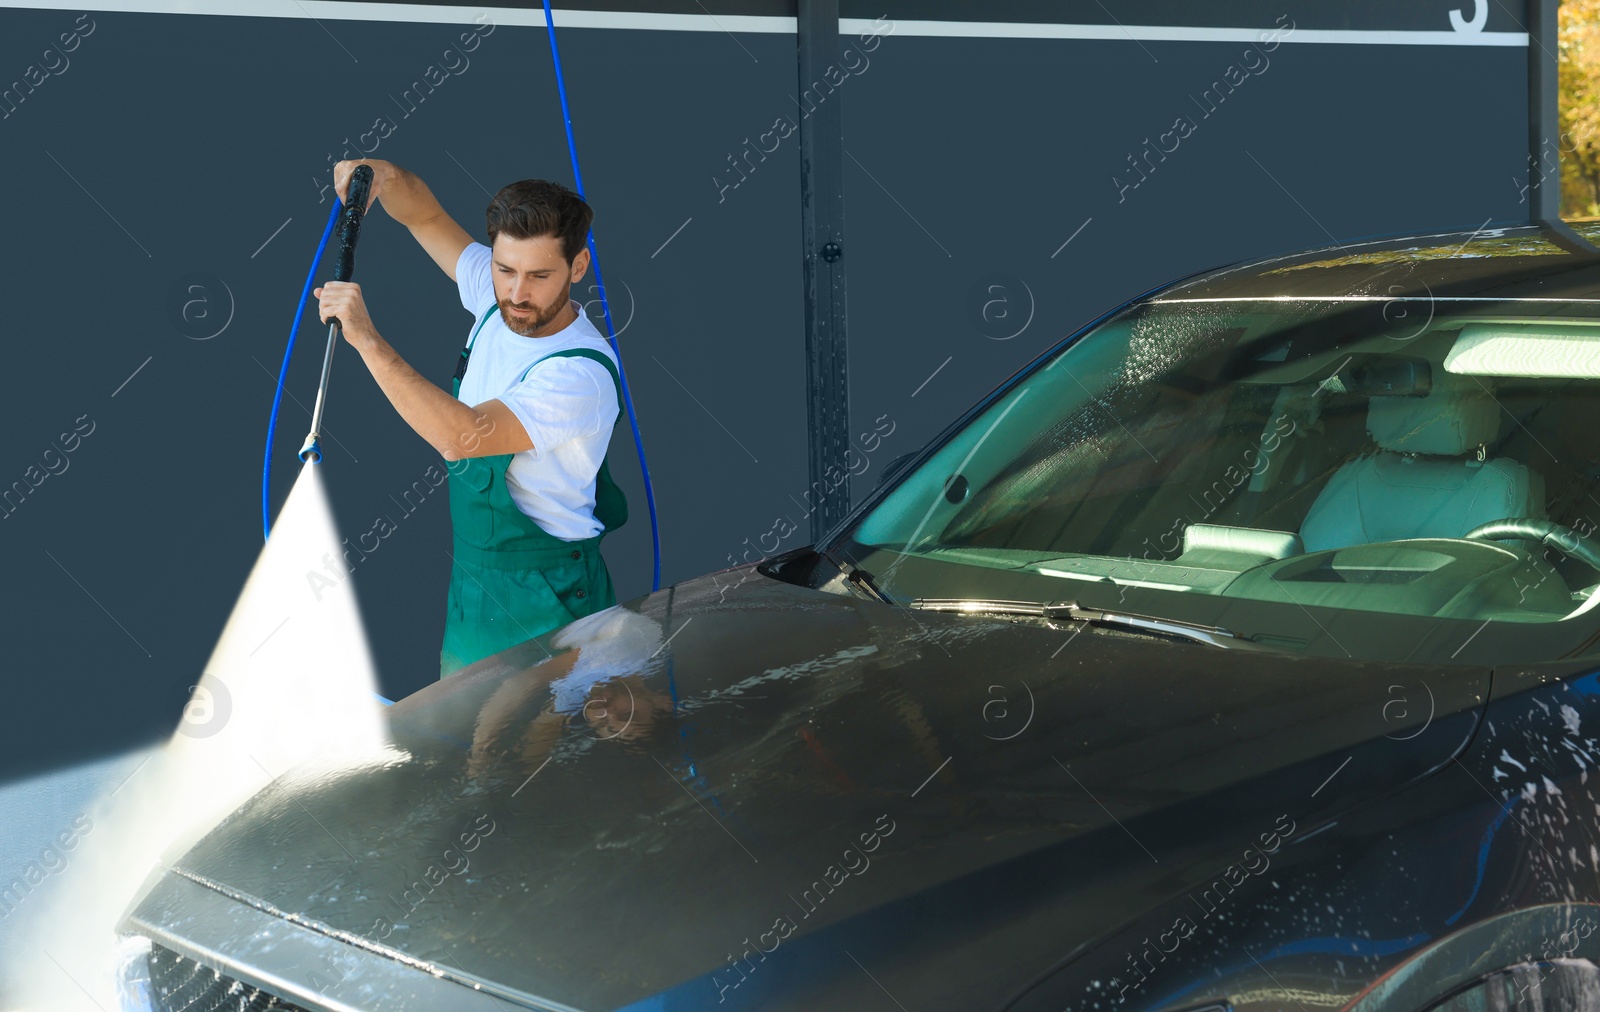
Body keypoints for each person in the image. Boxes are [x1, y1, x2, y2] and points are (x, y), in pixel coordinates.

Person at [314, 158, 628, 678]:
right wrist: (385, 176)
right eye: (505, 270)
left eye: (539, 275)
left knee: (541, 754)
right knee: (470, 751)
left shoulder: (579, 374)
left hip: (549, 595)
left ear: (578, 266)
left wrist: (366, 340)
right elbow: (424, 218)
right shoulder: (495, 294)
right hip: (476, 579)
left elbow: (463, 436)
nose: (517, 293)